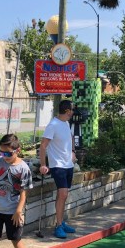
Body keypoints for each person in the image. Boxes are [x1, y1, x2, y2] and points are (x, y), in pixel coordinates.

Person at [39, 99, 77, 239]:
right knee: (63, 194)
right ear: (67, 111)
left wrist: (73, 151)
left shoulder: (66, 123)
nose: (73, 112)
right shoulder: (53, 125)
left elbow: (71, 137)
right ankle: (59, 225)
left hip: (68, 165)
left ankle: (61, 222)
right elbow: (43, 146)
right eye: (72, 109)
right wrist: (43, 165)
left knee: (63, 195)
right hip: (58, 165)